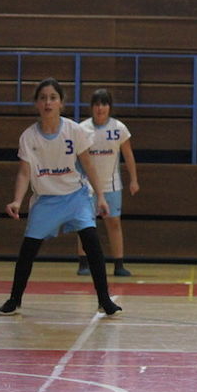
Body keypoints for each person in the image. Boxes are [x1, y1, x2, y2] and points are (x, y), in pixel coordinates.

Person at [0, 78, 122, 318]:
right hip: (46, 199)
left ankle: (104, 300)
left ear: (61, 103)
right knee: (28, 250)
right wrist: (17, 200)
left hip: (76, 197)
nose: (48, 102)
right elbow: (24, 173)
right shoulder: (29, 137)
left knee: (92, 242)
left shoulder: (74, 130)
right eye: (43, 98)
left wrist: (101, 197)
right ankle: (14, 300)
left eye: (53, 98)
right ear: (36, 103)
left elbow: (89, 166)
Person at [76, 89, 140, 278]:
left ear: (109, 107)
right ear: (91, 107)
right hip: (87, 186)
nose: (100, 108)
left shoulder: (119, 128)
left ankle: (119, 265)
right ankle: (83, 263)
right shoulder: (82, 129)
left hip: (111, 185)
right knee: (85, 225)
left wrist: (134, 179)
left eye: (104, 104)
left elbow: (128, 155)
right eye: (96, 104)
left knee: (114, 224)